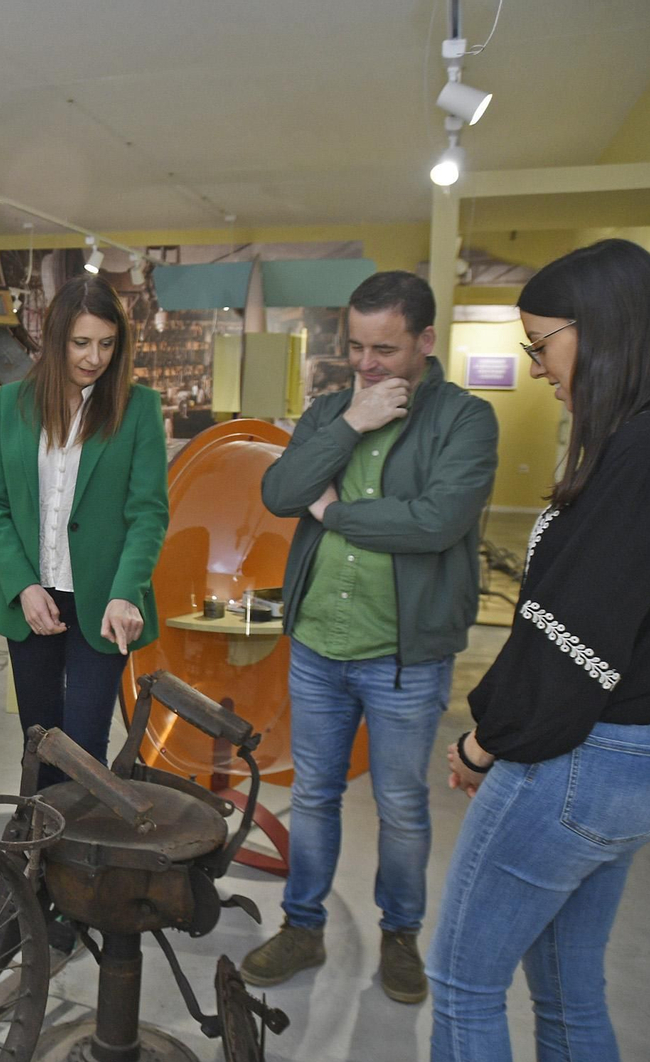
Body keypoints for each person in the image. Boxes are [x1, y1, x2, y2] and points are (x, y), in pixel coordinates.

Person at [429, 239, 650, 1062]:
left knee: (464, 985)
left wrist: (484, 738)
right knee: (570, 992)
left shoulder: (642, 450)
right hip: (641, 758)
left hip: (584, 760)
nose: (535, 365)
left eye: (543, 343)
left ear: (602, 329)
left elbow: (571, 643)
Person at [242, 271, 498, 1004]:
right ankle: (302, 923)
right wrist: (352, 422)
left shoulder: (465, 420)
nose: (366, 362)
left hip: (405, 657)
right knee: (315, 794)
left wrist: (339, 514)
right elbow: (281, 493)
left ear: (425, 339)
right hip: (320, 644)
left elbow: (435, 522)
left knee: (402, 803)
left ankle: (400, 934)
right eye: (355, 345)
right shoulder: (332, 409)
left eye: (384, 348)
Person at [0, 275, 169, 790]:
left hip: (102, 604)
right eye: (81, 343)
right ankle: (38, 864)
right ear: (56, 337)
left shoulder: (139, 409)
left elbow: (148, 514)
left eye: (107, 344)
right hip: (32, 599)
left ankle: (81, 866)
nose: (94, 357)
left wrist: (127, 592)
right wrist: (22, 584)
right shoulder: (10, 405)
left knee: (85, 752)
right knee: (38, 745)